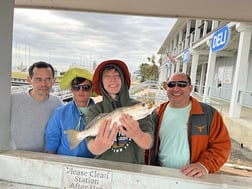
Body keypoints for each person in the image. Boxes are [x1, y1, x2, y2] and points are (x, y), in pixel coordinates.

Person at [148, 72, 231, 177]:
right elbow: (147, 148)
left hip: (194, 178)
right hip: (162, 175)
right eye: (171, 84)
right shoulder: (156, 114)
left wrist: (204, 165)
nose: (176, 88)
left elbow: (222, 145)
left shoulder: (209, 114)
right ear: (166, 87)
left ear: (190, 88)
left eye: (182, 84)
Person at [85, 59, 154, 164]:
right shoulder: (94, 110)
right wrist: (100, 144)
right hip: (104, 171)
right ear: (101, 83)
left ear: (123, 79)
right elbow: (92, 148)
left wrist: (137, 134)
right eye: (107, 76)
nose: (112, 79)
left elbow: (148, 143)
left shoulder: (138, 107)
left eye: (117, 75)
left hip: (133, 171)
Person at [10, 61, 63, 152]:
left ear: (54, 81)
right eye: (38, 79)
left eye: (48, 79)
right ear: (29, 80)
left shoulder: (58, 103)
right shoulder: (13, 99)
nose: (44, 84)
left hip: (43, 159)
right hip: (14, 157)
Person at [45, 67, 95, 157]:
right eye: (76, 87)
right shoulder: (59, 113)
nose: (81, 91)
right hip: (65, 162)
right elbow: (52, 138)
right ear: (71, 89)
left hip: (93, 165)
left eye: (86, 87)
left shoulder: (100, 112)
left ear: (92, 89)